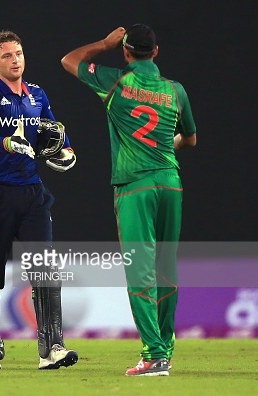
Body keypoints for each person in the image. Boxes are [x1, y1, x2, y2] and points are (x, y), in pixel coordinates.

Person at [61, 24, 197, 376]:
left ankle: (154, 355)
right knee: (166, 269)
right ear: (155, 52)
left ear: (125, 51)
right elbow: (190, 139)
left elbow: (69, 59)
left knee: (140, 273)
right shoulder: (174, 90)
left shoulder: (116, 82)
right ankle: (164, 349)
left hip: (135, 186)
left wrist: (103, 44)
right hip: (170, 184)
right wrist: (169, 146)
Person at [0, 30, 78, 370]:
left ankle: (52, 348)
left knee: (44, 267)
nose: (15, 59)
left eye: (18, 53)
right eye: (7, 56)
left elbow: (55, 132)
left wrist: (68, 152)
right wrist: (8, 143)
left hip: (31, 192)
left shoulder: (38, 95)